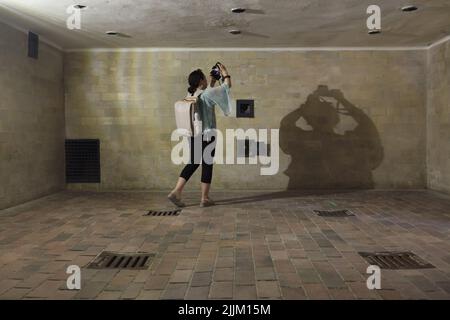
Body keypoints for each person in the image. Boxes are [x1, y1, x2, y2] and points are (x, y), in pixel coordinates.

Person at [168, 62, 232, 207]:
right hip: (208, 134)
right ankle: (204, 198)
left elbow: (206, 94)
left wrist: (212, 81)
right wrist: (225, 72)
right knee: (207, 164)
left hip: (193, 134)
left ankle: (176, 191)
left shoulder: (190, 95)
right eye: (204, 78)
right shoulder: (208, 94)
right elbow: (226, 86)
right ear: (201, 80)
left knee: (193, 162)